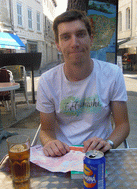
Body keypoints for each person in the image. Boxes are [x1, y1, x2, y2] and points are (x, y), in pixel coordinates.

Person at [36, 10, 130, 157]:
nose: (75, 43)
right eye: (66, 37)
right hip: (63, 154)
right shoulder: (47, 81)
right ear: (58, 45)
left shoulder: (113, 74)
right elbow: (46, 130)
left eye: (80, 34)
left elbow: (123, 125)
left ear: (91, 39)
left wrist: (108, 143)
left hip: (100, 153)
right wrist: (50, 143)